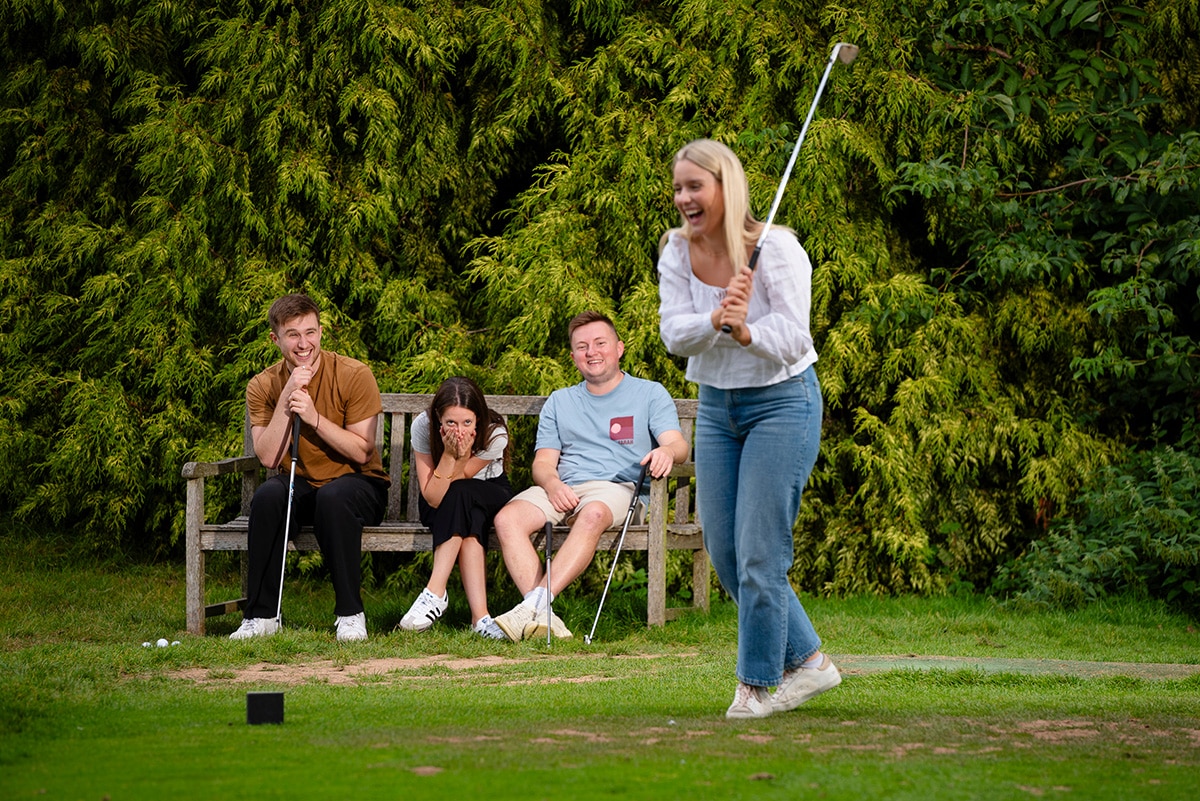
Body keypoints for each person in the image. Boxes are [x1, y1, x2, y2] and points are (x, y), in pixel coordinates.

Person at [657, 138, 840, 718]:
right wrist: (715, 318)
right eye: (680, 186)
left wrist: (746, 333)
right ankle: (810, 663)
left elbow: (795, 338)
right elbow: (673, 333)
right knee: (728, 554)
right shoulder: (675, 251)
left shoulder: (777, 249)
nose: (685, 197)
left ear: (724, 187)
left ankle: (756, 686)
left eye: (696, 186)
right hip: (716, 407)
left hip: (782, 404)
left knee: (761, 555)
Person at [491, 310, 690, 642]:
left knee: (593, 512)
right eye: (582, 347)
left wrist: (666, 452)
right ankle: (544, 616)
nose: (592, 352)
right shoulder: (560, 401)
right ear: (573, 357)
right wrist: (552, 485)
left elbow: (677, 444)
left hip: (618, 489)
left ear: (619, 348)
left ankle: (532, 606)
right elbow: (542, 463)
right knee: (507, 518)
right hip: (564, 487)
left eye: (600, 343)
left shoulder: (649, 393)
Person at [231, 294, 390, 642]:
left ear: (321, 331)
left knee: (333, 497)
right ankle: (262, 616)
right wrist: (288, 397)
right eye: (293, 335)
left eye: (311, 332)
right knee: (269, 496)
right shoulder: (262, 385)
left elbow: (362, 451)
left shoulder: (353, 373)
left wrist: (314, 417)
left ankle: (350, 613)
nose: (304, 344)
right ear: (276, 339)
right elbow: (270, 458)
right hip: (301, 481)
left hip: (359, 484)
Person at [397, 377, 512, 639]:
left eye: (467, 423)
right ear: (439, 418)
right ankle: (481, 619)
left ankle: (435, 592)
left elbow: (462, 481)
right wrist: (449, 455)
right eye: (450, 422)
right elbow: (434, 497)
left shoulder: (495, 433)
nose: (459, 430)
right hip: (441, 497)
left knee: (463, 494)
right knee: (469, 513)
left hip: (489, 490)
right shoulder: (423, 427)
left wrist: (462, 454)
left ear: (478, 419)